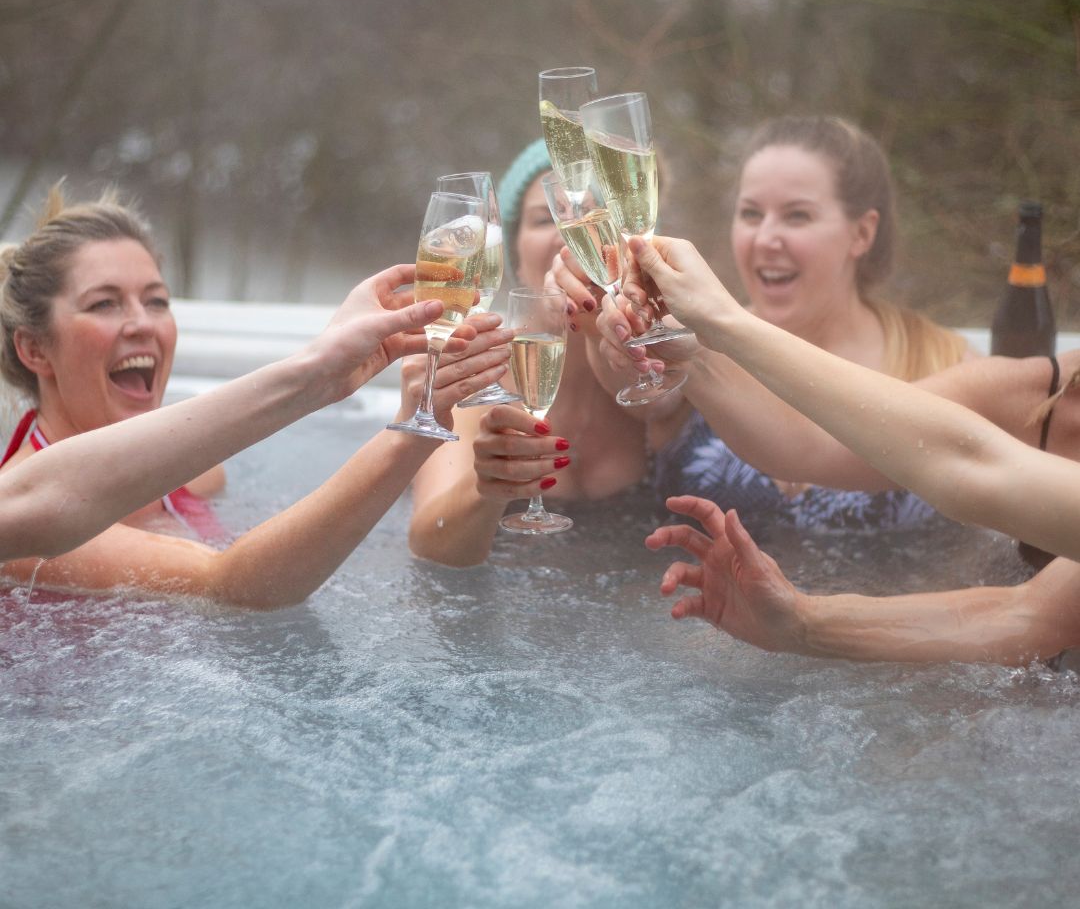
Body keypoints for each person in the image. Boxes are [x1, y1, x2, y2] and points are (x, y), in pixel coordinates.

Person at [0, 187, 509, 605]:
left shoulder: (197, 475)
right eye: (104, 303)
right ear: (35, 349)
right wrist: (407, 435)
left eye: (156, 301)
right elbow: (234, 587)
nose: (142, 324)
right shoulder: (23, 531)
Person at [626, 232, 1080, 665]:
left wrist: (724, 322)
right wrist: (797, 621)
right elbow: (1027, 615)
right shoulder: (1045, 387)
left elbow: (970, 468)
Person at [585, 115, 975, 532]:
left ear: (862, 233)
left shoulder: (944, 361)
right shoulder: (689, 341)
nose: (766, 239)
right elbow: (631, 381)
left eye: (797, 216)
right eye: (751, 214)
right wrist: (602, 325)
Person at [407, 139, 663, 566]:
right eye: (545, 217)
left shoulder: (657, 373)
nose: (569, 233)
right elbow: (428, 543)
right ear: (512, 250)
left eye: (589, 214)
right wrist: (487, 485)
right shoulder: (476, 372)